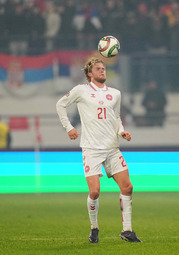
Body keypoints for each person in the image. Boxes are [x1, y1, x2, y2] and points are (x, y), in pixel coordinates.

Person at [56, 57, 141, 243]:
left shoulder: (115, 94)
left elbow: (116, 117)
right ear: (89, 73)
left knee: (128, 187)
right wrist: (69, 127)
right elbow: (60, 104)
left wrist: (121, 131)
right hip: (91, 149)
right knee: (95, 192)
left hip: (112, 148)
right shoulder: (81, 90)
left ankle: (127, 230)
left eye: (103, 68)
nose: (102, 71)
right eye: (98, 68)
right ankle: (94, 227)